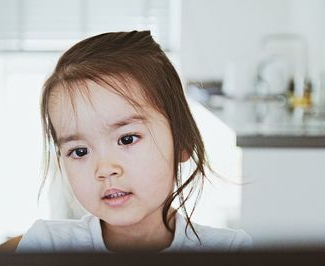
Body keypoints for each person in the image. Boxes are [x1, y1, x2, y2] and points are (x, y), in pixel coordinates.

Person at [16, 30, 252, 253]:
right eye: (79, 151)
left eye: (127, 139)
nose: (105, 169)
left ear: (182, 141)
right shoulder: (48, 247)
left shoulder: (231, 251)